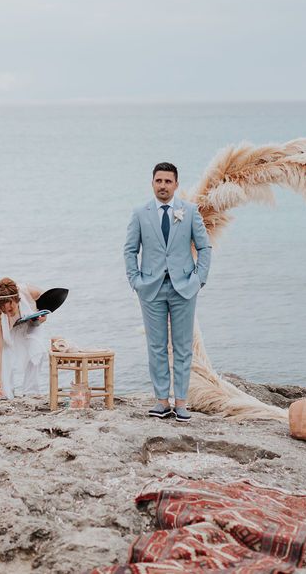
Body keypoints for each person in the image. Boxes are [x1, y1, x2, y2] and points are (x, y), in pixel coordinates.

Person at [124, 162, 212, 422]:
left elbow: (205, 248)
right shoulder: (140, 213)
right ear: (152, 183)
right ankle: (162, 401)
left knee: (183, 347)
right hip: (150, 288)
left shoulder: (190, 211)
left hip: (184, 287)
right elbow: (130, 250)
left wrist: (199, 280)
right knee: (156, 346)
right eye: (158, 181)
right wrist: (136, 281)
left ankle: (182, 402)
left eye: (168, 181)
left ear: (176, 184)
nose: (163, 185)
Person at [0, 277, 48, 399]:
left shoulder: (30, 292)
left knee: (37, 348)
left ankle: (30, 392)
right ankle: (5, 391)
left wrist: (42, 317)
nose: (9, 313)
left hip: (28, 326)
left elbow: (49, 302)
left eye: (10, 309)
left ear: (17, 299)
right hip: (8, 331)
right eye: (5, 310)